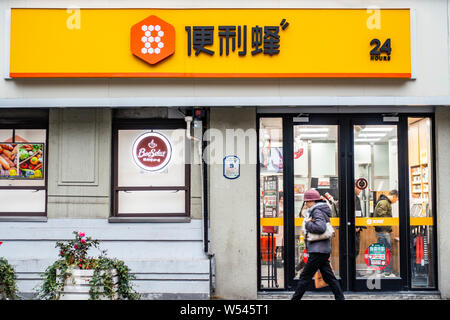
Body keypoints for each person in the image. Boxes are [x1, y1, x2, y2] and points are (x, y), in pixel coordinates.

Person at [291, 189, 345, 301]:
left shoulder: (316, 211)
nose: (305, 204)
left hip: (318, 250)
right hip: (322, 250)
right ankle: (340, 298)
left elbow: (321, 228)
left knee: (304, 277)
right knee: (329, 277)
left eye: (307, 201)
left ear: (312, 201)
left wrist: (308, 224)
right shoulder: (320, 209)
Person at [373, 189, 398, 276]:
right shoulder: (384, 203)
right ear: (394, 196)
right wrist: (387, 228)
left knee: (382, 250)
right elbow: (381, 217)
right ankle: (386, 272)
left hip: (382, 231)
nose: (396, 201)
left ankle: (381, 271)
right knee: (387, 250)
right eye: (396, 199)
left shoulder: (384, 202)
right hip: (383, 231)